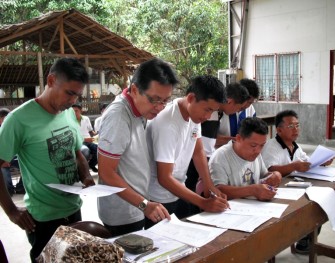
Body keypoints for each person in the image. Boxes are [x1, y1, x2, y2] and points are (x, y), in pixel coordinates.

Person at [0, 57, 95, 262]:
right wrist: (11, 210)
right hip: (43, 218)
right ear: (51, 81)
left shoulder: (69, 113)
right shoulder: (18, 119)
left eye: (77, 96)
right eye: (69, 93)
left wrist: (86, 176)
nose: (72, 101)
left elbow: (77, 152)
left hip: (73, 209)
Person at [97, 58, 178, 236]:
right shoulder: (119, 116)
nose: (159, 108)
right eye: (155, 100)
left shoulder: (141, 111)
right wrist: (144, 204)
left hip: (136, 207)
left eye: (165, 101)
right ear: (135, 90)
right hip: (122, 212)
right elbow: (106, 173)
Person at [145, 75, 230, 228]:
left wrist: (209, 185)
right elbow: (164, 177)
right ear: (191, 98)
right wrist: (203, 202)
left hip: (179, 190)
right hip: (159, 199)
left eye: (213, 111)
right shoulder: (167, 123)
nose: (208, 116)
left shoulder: (194, 116)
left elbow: (198, 151)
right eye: (207, 109)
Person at [261, 109, 332, 254]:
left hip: (294, 187)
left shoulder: (295, 146)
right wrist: (294, 166)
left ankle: (306, 239)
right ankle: (303, 239)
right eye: (291, 126)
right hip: (276, 191)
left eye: (297, 125)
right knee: (309, 205)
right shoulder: (271, 146)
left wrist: (321, 162)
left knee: (320, 201)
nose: (296, 129)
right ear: (279, 129)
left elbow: (306, 162)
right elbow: (269, 170)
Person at [181, 82, 250, 217]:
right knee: (192, 202)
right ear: (230, 102)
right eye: (239, 108)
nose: (238, 112)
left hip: (199, 164)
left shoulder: (212, 112)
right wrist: (207, 182)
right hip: (194, 166)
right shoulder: (208, 113)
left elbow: (204, 143)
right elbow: (202, 148)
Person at [209, 117, 281, 201]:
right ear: (238, 138)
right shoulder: (220, 157)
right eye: (253, 145)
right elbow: (218, 189)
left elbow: (264, 175)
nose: (258, 151)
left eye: (262, 145)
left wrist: (275, 175)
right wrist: (252, 190)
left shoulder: (255, 154)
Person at [218, 78, 260, 143]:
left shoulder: (250, 109)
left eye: (250, 103)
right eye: (247, 101)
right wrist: (237, 141)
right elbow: (211, 139)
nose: (246, 105)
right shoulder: (221, 109)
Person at [0, 108, 25, 196]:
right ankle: (9, 190)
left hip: (13, 158)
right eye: (5, 118)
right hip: (2, 160)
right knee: (7, 189)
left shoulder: (14, 128)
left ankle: (20, 187)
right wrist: (3, 161)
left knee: (28, 165)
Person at [72, 103, 98, 172]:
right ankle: (83, 169)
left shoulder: (86, 118)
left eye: (76, 111)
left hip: (88, 140)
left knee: (98, 149)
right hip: (79, 142)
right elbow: (72, 136)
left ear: (81, 111)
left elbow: (91, 130)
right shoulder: (70, 121)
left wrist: (97, 134)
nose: (74, 113)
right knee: (85, 150)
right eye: (72, 111)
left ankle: (92, 165)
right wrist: (85, 139)